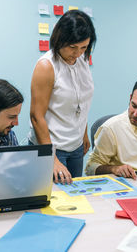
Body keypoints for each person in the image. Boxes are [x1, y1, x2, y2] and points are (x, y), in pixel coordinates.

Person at [29, 10, 97, 184]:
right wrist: (51, 159)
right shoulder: (46, 66)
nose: (78, 53)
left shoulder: (82, 60)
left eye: (83, 47)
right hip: (52, 146)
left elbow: (80, 98)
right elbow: (36, 116)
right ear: (60, 39)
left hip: (76, 146)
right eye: (72, 47)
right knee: (52, 204)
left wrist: (83, 132)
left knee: (75, 202)